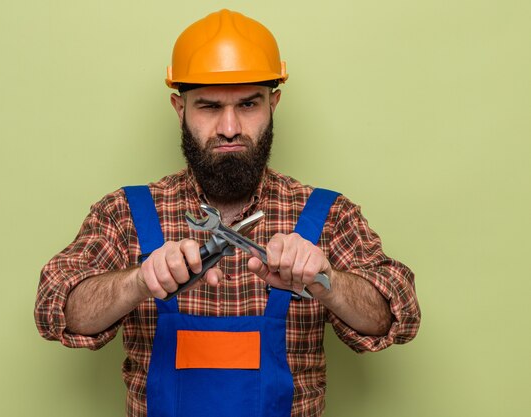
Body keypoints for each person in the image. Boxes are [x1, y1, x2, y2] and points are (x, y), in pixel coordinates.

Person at [35, 9, 420, 417]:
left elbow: (397, 315)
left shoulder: (326, 214)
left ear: (274, 103)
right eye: (209, 106)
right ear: (180, 108)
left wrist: (329, 282)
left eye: (249, 104)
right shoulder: (125, 213)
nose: (230, 127)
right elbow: (55, 308)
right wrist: (137, 282)